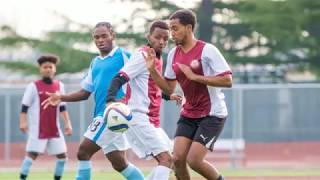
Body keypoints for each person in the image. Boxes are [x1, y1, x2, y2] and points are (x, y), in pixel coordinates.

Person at [42, 22, 144, 180]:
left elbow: (143, 78)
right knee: (119, 163)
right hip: (103, 114)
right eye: (96, 37)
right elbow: (84, 93)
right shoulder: (95, 63)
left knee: (83, 152)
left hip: (113, 114)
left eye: (104, 36)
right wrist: (61, 97)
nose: (100, 40)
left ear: (113, 36)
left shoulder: (124, 56)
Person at [143, 9, 232, 180]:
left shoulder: (208, 50)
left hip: (212, 114)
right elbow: (168, 89)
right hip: (189, 113)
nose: (172, 33)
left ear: (189, 28)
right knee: (177, 159)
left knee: (194, 161)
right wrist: (152, 70)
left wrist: (195, 77)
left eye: (175, 28)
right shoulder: (174, 54)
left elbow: (227, 80)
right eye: (171, 29)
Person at [106, 20, 181, 180]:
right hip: (138, 117)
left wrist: (168, 96)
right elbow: (119, 78)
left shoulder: (158, 58)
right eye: (157, 37)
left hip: (152, 120)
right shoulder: (142, 56)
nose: (161, 42)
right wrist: (110, 100)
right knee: (165, 160)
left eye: (165, 39)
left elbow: (150, 85)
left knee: (174, 160)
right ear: (149, 36)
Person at [19, 54, 73, 180]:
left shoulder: (60, 86)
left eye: (50, 67)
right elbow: (24, 106)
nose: (48, 69)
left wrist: (68, 124)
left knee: (63, 157)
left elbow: (62, 107)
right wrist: (22, 122)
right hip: (38, 129)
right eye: (45, 67)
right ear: (40, 69)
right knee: (32, 155)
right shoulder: (33, 86)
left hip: (54, 129)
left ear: (54, 69)